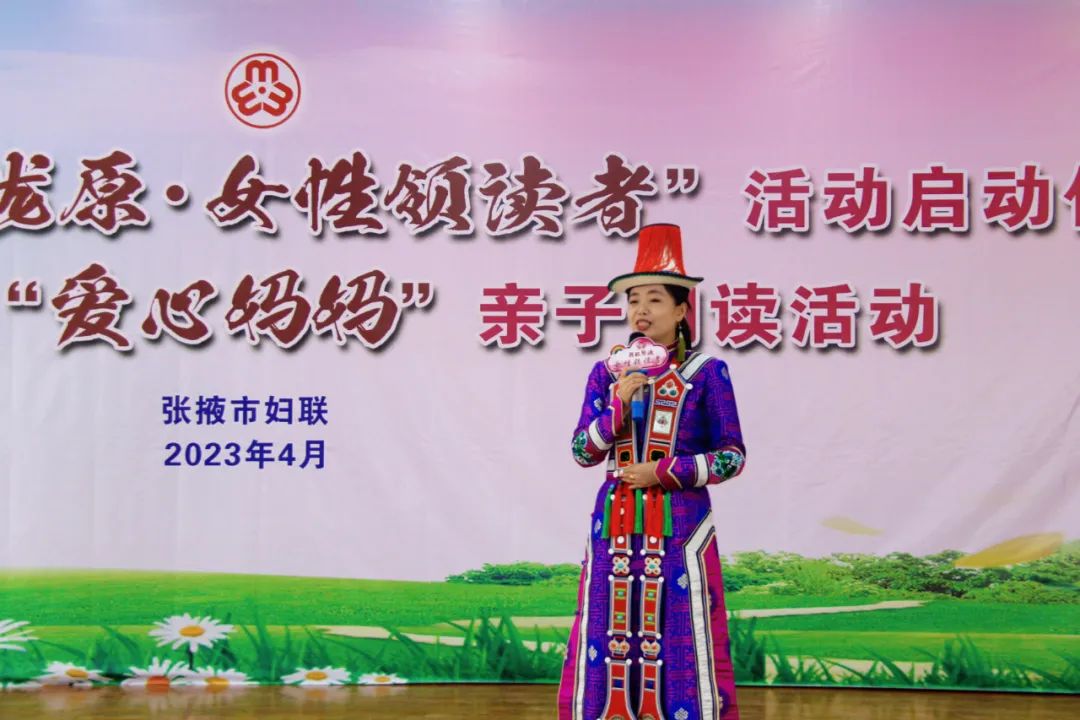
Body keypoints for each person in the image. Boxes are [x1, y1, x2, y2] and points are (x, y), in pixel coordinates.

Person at [557, 223, 747, 720]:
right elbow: (582, 451)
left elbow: (731, 456)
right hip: (615, 525)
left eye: (655, 299)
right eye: (633, 300)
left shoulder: (707, 373)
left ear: (682, 310)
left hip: (681, 523)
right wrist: (618, 406)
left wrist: (662, 472)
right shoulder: (607, 374)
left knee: (682, 626)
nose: (640, 310)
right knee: (608, 627)